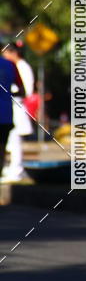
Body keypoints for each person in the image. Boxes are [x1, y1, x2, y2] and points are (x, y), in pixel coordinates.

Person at [1, 41, 35, 182]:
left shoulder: (21, 66)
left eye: (6, 53)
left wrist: (8, 93)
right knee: (9, 143)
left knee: (14, 142)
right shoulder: (12, 65)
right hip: (9, 109)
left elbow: (26, 90)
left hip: (15, 107)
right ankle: (11, 169)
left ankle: (16, 170)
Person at [0, 51, 25, 178]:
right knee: (2, 148)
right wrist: (7, 94)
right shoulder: (10, 65)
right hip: (6, 114)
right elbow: (22, 90)